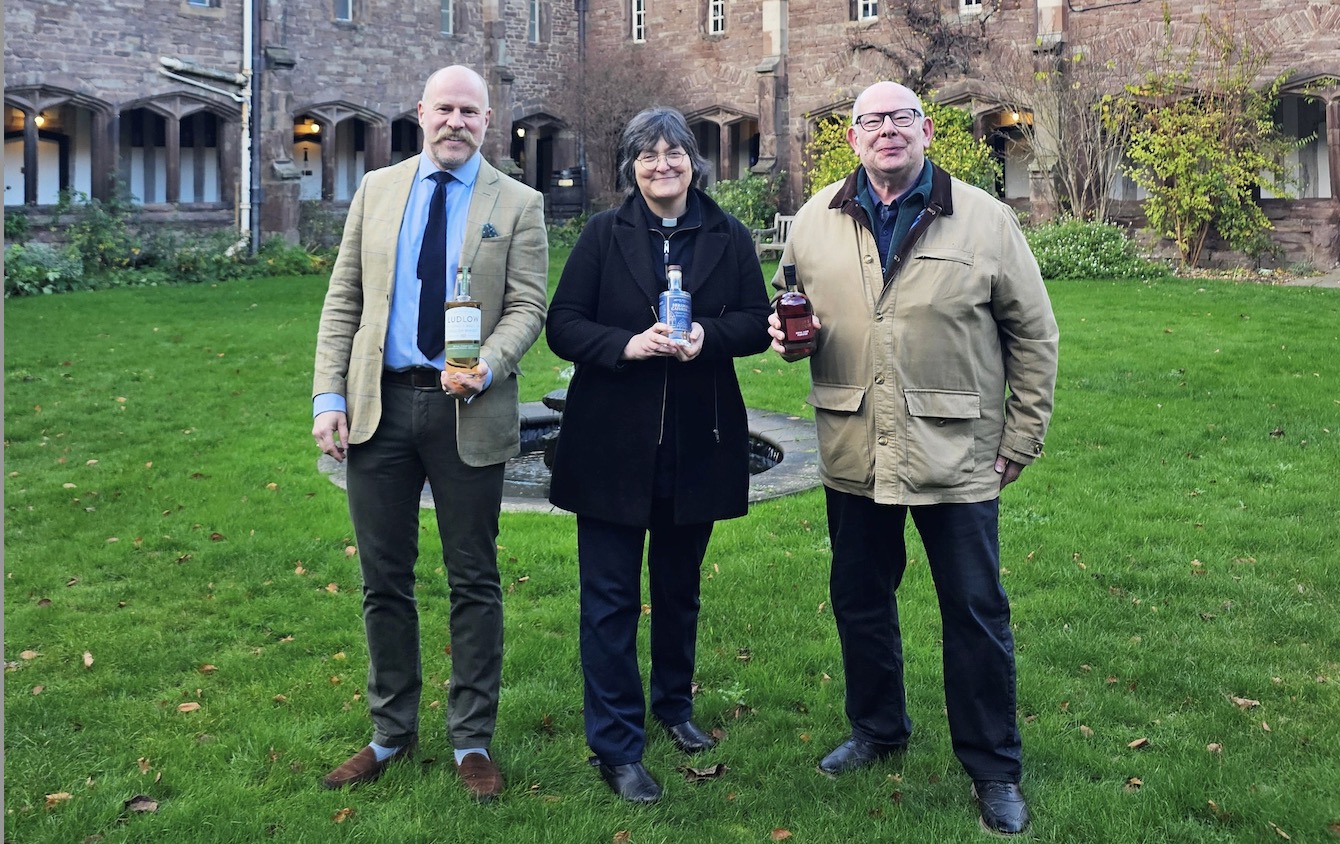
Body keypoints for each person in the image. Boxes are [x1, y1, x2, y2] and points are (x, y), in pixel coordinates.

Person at [768, 81, 1058, 835]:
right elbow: (789, 304)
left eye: (901, 118)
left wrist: (1020, 438)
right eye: (872, 121)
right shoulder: (814, 219)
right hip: (853, 445)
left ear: (927, 130)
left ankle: (993, 769)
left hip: (955, 452)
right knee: (861, 602)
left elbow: (1034, 336)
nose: (887, 131)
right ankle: (877, 729)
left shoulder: (986, 220)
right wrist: (784, 333)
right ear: (854, 138)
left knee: (974, 614)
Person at [311, 65, 548, 801]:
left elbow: (527, 306)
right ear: (421, 112)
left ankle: (471, 739)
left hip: (466, 412)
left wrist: (491, 366)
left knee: (473, 579)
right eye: (444, 108)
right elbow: (343, 298)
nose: (456, 121)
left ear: (488, 121)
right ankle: (390, 733)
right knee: (384, 581)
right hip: (380, 408)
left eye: (469, 111)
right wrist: (328, 395)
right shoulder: (378, 190)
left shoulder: (519, 202)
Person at [545, 106, 772, 804]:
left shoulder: (727, 235)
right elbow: (563, 326)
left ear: (693, 164)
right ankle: (616, 745)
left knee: (678, 591)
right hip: (611, 444)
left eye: (674, 153)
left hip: (695, 443)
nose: (662, 165)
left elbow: (754, 324)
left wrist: (707, 334)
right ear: (631, 167)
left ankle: (673, 706)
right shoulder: (603, 236)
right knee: (610, 600)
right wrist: (626, 346)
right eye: (648, 155)